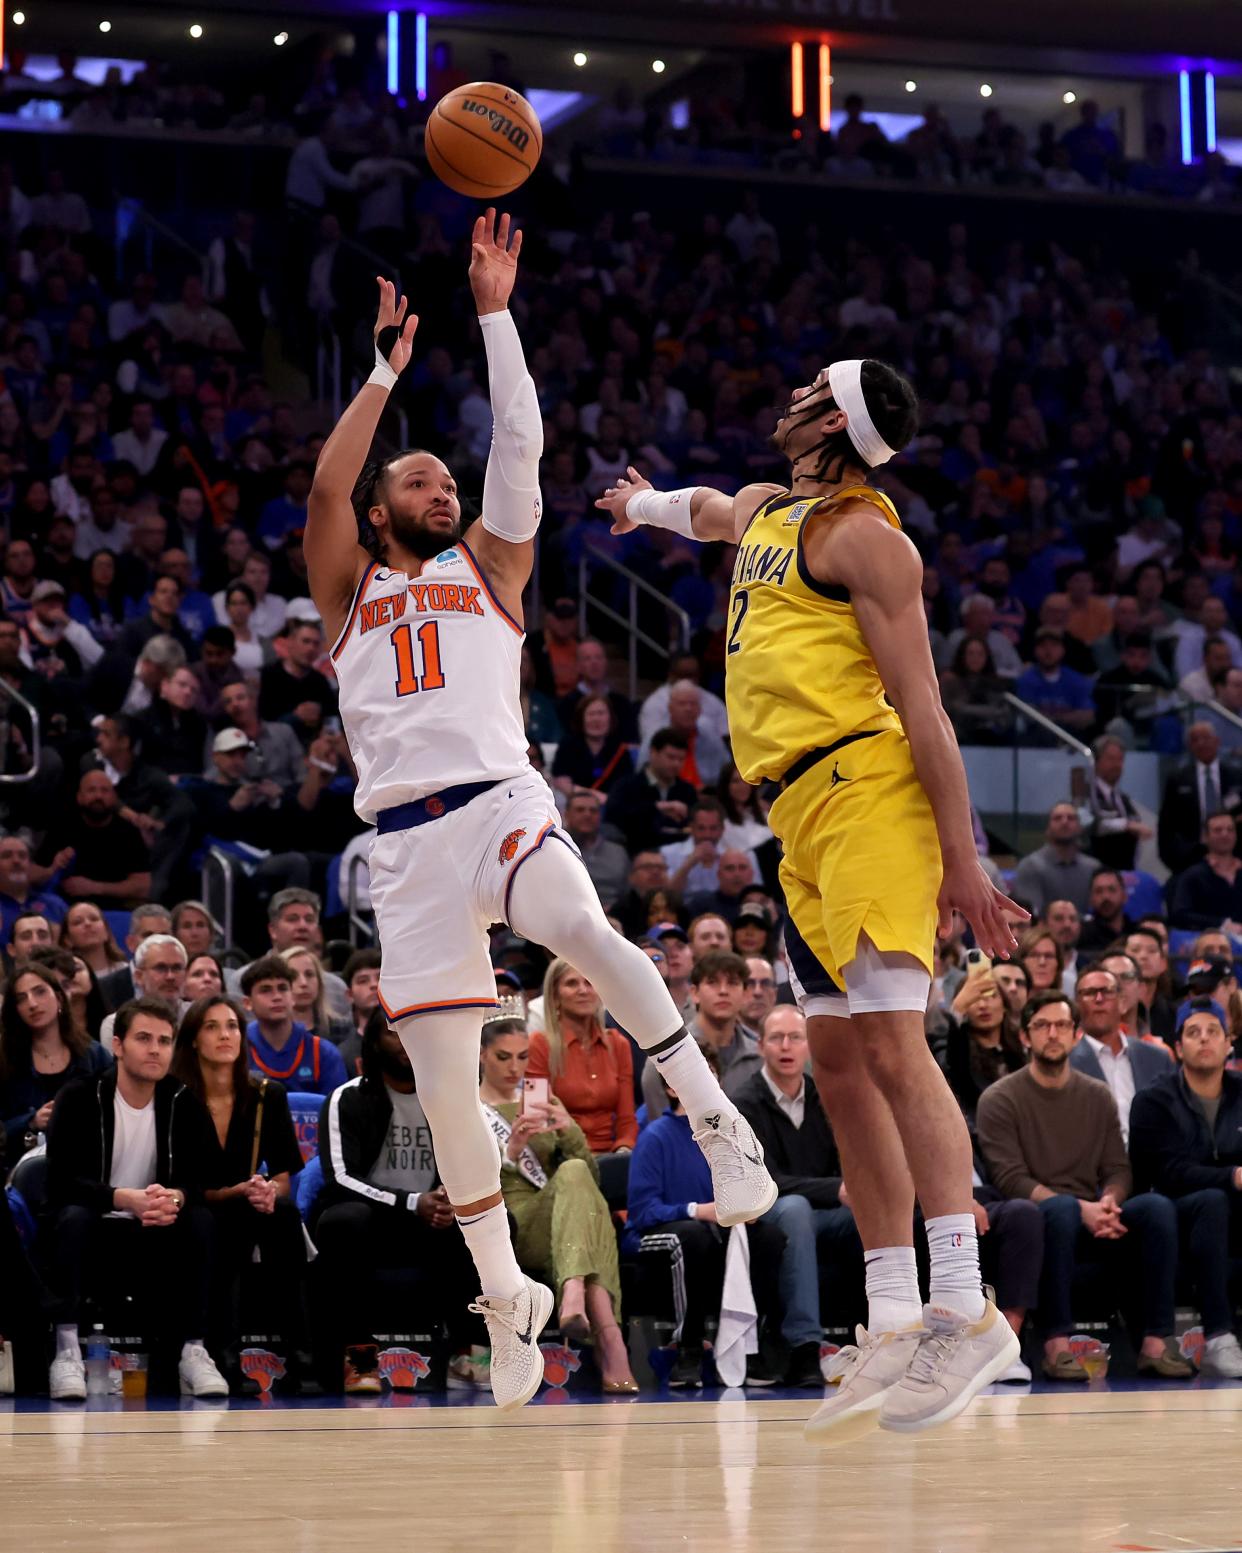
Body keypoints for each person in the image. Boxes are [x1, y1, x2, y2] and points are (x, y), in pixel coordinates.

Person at [304, 221, 773, 1410]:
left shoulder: (491, 568)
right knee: (451, 1088)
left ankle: (715, 1115)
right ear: (382, 506)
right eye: (420, 480)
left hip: (501, 798)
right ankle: (505, 1299)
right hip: (404, 845)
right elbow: (324, 485)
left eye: (444, 481)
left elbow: (520, 442)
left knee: (578, 918)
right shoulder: (349, 588)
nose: (442, 486)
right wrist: (382, 375)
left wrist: (497, 314)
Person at [598, 351, 1026, 1439]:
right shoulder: (770, 513)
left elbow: (923, 704)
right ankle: (889, 1316)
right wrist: (637, 504)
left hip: (869, 790)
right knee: (836, 1060)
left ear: (834, 421)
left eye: (808, 394)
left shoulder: (866, 538)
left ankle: (966, 1307)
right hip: (794, 817)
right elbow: (703, 509)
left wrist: (961, 855)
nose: (785, 400)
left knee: (892, 1046)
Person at [976, 991, 1193, 1382]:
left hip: (1094, 1213)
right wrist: (1081, 1208)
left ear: (1077, 1035)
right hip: (1037, 1219)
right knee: (1059, 1210)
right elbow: (1009, 1178)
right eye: (1042, 1026)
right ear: (1025, 1037)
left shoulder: (1097, 1094)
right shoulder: (1000, 1097)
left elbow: (1117, 1167)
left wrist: (1109, 1202)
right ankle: (1055, 1344)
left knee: (1157, 1208)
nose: (1053, 1034)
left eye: (1061, 1025)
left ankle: (1156, 1341)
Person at [44, 997, 229, 1400]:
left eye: (164, 1041)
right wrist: (121, 1197)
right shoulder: (80, 1096)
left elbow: (209, 1177)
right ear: (117, 1045)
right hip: (96, 1222)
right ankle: (67, 1351)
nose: (154, 1049)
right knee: (72, 1218)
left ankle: (194, 1351)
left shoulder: (182, 1100)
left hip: (156, 1226)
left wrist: (177, 1197)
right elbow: (58, 1181)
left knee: (201, 1222)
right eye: (143, 1038)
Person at [314, 1011, 485, 1394]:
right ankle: (360, 1360)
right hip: (371, 1223)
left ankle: (469, 1355)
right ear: (374, 1043)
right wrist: (411, 1203)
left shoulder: (447, 1097)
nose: (406, 1042)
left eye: (414, 1033)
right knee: (344, 1221)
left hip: (428, 1224)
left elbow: (468, 1158)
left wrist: (448, 1198)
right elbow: (340, 1178)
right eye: (394, 1034)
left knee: (488, 1219)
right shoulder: (348, 1097)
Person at [480, 1013, 637, 1392]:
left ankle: (576, 1296)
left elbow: (592, 1180)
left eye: (521, 1057)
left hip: (565, 1226)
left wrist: (568, 1128)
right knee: (576, 1182)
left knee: (577, 1172)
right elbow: (468, 1189)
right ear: (481, 1055)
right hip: (514, 1225)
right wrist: (510, 1154)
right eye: (503, 1057)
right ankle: (610, 1341)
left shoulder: (540, 1100)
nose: (514, 1067)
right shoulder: (471, 1110)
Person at [172, 994, 309, 1386]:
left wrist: (268, 1192)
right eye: (211, 1027)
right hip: (195, 1205)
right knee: (221, 1222)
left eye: (231, 1026)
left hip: (244, 1202)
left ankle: (302, 1353)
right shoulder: (177, 1098)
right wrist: (233, 1193)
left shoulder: (268, 1095)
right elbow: (180, 1181)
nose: (225, 1035)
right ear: (194, 1039)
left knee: (282, 1214)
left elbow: (283, 1177)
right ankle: (223, 1352)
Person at [626, 1061, 787, 1388]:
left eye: (711, 1076)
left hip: (711, 1232)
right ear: (671, 1088)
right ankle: (687, 1350)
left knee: (768, 1236)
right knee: (692, 1236)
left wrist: (746, 1206)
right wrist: (699, 1210)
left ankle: (753, 1346)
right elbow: (642, 1212)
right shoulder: (656, 1136)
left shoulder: (729, 1136)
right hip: (655, 1236)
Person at [735, 1006, 864, 1385]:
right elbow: (766, 1179)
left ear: (808, 1046)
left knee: (876, 1214)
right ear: (760, 1046)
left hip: (824, 1213)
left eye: (795, 1037)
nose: (786, 1047)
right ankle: (805, 1347)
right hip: (767, 1215)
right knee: (795, 1209)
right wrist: (835, 1189)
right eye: (776, 1038)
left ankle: (886, 1333)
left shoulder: (826, 1098)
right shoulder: (743, 1103)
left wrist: (850, 1190)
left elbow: (847, 1164)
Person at [1129, 1000, 1242, 1377]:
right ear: (1178, 1047)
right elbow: (1164, 1171)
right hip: (1170, 1208)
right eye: (1193, 1033)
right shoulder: (1153, 1099)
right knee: (1212, 1201)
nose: (1204, 1039)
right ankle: (1219, 1336)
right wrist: (1231, 1177)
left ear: (1230, 1043)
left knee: (1220, 1202)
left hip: (1232, 1208)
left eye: (1213, 1031)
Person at [0, 961, 112, 1157]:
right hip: (22, 1167)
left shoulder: (94, 1055)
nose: (32, 1004)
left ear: (59, 998)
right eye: (21, 998)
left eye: (40, 992)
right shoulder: (5, 1059)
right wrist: (31, 1121)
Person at [525, 959, 636, 1155]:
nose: (583, 990)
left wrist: (624, 1148)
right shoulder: (539, 1045)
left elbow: (626, 1119)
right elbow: (536, 1120)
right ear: (555, 996)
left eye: (589, 982)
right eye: (571, 983)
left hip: (613, 1156)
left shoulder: (618, 1044)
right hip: (563, 1156)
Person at [642, 951, 760, 1122]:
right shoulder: (670, 1053)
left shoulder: (760, 1055)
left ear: (746, 994)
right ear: (694, 993)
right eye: (712, 982)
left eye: (733, 983)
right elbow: (661, 1125)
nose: (723, 991)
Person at [1068, 966, 1172, 1143]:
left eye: (1107, 991)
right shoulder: (1065, 1064)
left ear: (1123, 1003)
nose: (1099, 999)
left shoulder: (1158, 1059)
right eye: (1089, 992)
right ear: (1077, 1005)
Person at [241, 954, 347, 1099]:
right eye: (266, 990)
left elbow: (335, 1113)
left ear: (292, 997)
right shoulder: (238, 1051)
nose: (277, 996)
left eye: (283, 988)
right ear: (247, 1003)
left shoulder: (324, 1053)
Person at [50, 769, 151, 910]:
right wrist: (54, 868)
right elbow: (35, 873)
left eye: (105, 791)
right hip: (68, 910)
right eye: (91, 790)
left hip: (115, 910)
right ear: (79, 797)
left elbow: (143, 886)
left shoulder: (128, 832)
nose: (98, 796)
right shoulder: (62, 827)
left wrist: (94, 887)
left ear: (115, 798)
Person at [1158, 722, 1242, 875]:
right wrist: (1176, 861)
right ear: (1190, 746)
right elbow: (1166, 827)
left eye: (1206, 738)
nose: (1201, 743)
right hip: (1191, 859)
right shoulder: (1177, 780)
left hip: (1235, 859)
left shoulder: (1237, 777)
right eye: (1195, 740)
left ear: (1217, 741)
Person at [1012, 803, 1103, 916]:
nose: (1065, 822)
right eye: (1057, 818)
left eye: (1071, 818)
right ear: (1047, 828)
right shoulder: (1029, 866)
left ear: (1080, 828)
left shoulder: (1093, 868)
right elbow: (1030, 915)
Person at [1170, 811, 1242, 930]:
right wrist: (1222, 924)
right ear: (1205, 837)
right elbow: (1180, 914)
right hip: (1210, 942)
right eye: (1218, 830)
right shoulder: (1193, 876)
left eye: (1230, 829)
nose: (1225, 834)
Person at [559, 788, 631, 908]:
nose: (587, 815)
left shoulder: (618, 852)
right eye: (580, 810)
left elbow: (628, 893)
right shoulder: (556, 848)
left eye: (593, 811)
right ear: (566, 815)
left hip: (614, 916)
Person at [1088, 737, 1151, 872]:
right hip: (1095, 872)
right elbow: (1090, 823)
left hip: (1125, 872)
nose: (1117, 765)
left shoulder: (1123, 799)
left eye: (1120, 760)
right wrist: (1127, 825)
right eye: (1111, 759)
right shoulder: (1087, 793)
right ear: (1096, 762)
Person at [0, 832, 67, 949]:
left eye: (22, 856)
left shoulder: (55, 905)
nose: (16, 861)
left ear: (31, 865)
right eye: (6, 856)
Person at [280, 944, 354, 1045]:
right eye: (293, 976)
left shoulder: (342, 1029)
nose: (303, 983)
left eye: (309, 974)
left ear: (319, 982)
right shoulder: (269, 1032)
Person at [1125, 927, 1178, 1047]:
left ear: (1163, 963)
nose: (1143, 956)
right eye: (1135, 950)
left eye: (1152, 951)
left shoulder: (1174, 1015)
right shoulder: (1113, 1010)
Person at [1077, 869, 1134, 954]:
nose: (1106, 897)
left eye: (1112, 890)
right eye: (1099, 891)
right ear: (1091, 899)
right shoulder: (1080, 936)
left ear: (1124, 896)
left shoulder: (1136, 932)